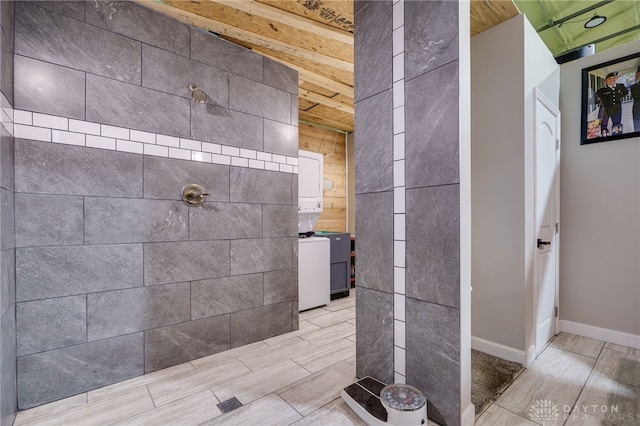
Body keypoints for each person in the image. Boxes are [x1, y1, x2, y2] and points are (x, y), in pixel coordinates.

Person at [630, 67, 640, 132]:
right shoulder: (634, 87)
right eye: (639, 74)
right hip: (637, 109)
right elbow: (635, 97)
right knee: (637, 128)